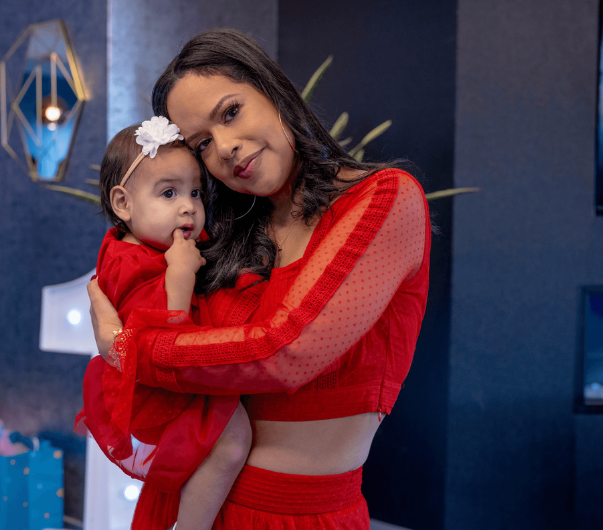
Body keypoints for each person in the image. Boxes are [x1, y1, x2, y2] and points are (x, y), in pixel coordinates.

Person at [88, 28, 431, 530]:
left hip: (302, 518)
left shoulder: (383, 200)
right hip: (194, 505)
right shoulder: (224, 235)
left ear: (273, 92)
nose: (225, 147)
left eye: (230, 112)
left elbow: (284, 352)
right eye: (204, 143)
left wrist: (127, 348)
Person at [76, 117, 254, 530]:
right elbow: (163, 334)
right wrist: (181, 273)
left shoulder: (144, 245)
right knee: (232, 440)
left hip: (169, 382)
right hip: (156, 389)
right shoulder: (132, 263)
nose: (188, 206)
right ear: (123, 204)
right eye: (168, 193)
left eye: (195, 192)